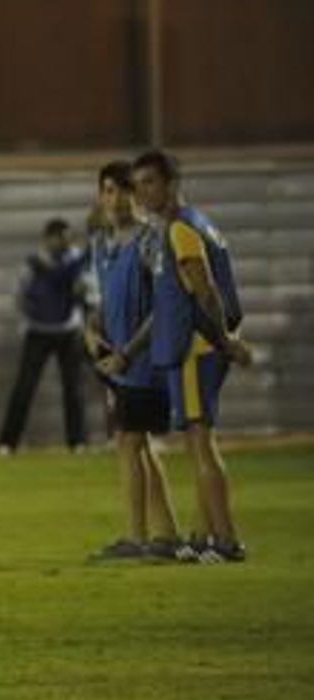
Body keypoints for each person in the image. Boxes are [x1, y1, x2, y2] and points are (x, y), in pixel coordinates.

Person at [128, 151, 253, 563]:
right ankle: (202, 536)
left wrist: (226, 342)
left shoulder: (181, 228)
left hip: (195, 349)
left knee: (200, 444)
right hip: (201, 347)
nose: (141, 192)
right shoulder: (198, 222)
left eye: (149, 182)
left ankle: (226, 540)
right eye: (137, 184)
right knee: (199, 443)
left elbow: (206, 291)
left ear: (172, 183)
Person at [84, 161, 181, 561]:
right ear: (100, 197)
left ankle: (138, 538)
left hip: (145, 363)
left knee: (129, 443)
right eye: (109, 190)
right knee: (139, 446)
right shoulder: (101, 245)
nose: (118, 198)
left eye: (125, 189)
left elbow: (163, 307)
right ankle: (167, 535)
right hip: (119, 365)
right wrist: (91, 328)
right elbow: (106, 301)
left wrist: (128, 353)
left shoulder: (150, 241)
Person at [0, 219, 90, 453]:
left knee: (73, 389)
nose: (65, 243)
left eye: (67, 239)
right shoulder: (32, 262)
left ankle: (77, 442)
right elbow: (17, 293)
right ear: (48, 238)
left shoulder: (77, 260)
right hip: (37, 331)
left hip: (69, 330)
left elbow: (87, 290)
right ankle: (7, 443)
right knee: (24, 389)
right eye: (60, 238)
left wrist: (82, 293)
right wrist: (28, 315)